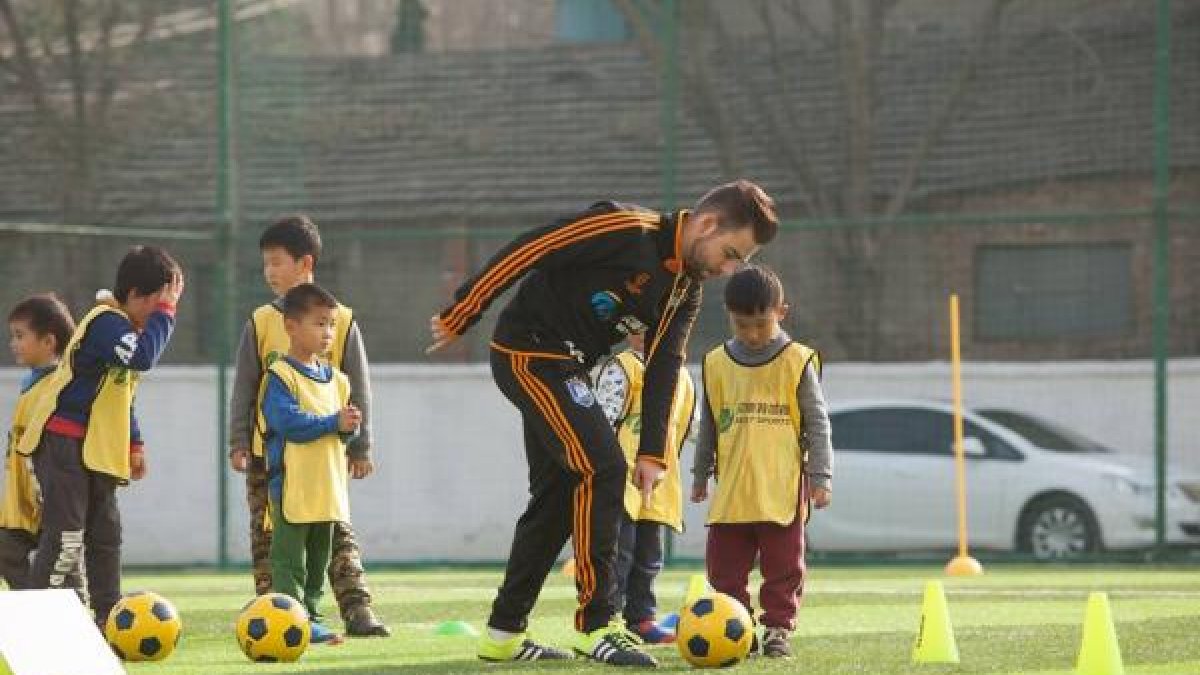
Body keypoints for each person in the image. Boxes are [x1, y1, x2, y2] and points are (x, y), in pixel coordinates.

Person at [428, 180, 779, 666]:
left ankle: (502, 634)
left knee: (556, 496)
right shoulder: (626, 227)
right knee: (603, 468)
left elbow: (663, 366)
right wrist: (465, 309)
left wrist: (654, 452)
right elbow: (533, 246)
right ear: (708, 224)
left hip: (568, 368)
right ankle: (598, 625)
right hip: (527, 352)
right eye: (731, 253)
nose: (729, 269)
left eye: (739, 262)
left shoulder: (685, 289)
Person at [227, 215, 389, 637]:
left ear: (305, 263)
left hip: (324, 457)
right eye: (265, 263)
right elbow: (244, 385)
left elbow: (358, 387)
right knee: (269, 535)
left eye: (277, 262)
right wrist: (239, 441)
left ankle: (357, 608)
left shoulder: (341, 320)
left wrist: (361, 445)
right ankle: (276, 612)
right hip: (272, 456)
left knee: (335, 532)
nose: (269, 272)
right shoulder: (261, 321)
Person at [19, 246, 183, 626]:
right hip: (62, 443)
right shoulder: (107, 321)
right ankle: (36, 624)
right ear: (136, 297)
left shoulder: (127, 330)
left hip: (97, 451)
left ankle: (109, 622)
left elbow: (121, 395)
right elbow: (143, 358)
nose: (163, 313)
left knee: (106, 537)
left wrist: (134, 443)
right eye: (159, 304)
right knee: (65, 538)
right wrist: (166, 314)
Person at [691, 264, 833, 659]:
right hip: (732, 489)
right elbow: (710, 426)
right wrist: (701, 473)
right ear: (729, 317)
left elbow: (818, 423)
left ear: (781, 313)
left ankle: (777, 630)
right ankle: (738, 629)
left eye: (761, 324)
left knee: (784, 567)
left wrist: (821, 475)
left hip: (781, 489)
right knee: (724, 571)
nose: (752, 334)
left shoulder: (797, 362)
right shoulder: (716, 363)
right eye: (742, 325)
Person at [261, 283, 361, 645]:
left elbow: (340, 433)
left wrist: (350, 427)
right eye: (319, 324)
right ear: (291, 326)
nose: (328, 333)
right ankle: (291, 618)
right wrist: (333, 423)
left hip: (329, 486)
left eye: (331, 324)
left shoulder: (339, 380)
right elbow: (288, 423)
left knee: (319, 560)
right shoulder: (280, 376)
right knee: (289, 561)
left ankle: (312, 618)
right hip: (293, 486)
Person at [593, 331, 696, 644]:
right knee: (618, 555)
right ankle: (606, 620)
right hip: (621, 483)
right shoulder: (622, 368)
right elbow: (601, 421)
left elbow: (692, 426)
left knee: (649, 556)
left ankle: (642, 619)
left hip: (660, 485)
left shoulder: (681, 375)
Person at [0, 295, 76, 591]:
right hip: (21, 506)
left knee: (64, 571)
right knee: (7, 552)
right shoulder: (32, 383)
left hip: (47, 504)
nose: (13, 343)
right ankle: (37, 607)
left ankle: (73, 620)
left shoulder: (55, 389)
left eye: (20, 336)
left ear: (48, 342)